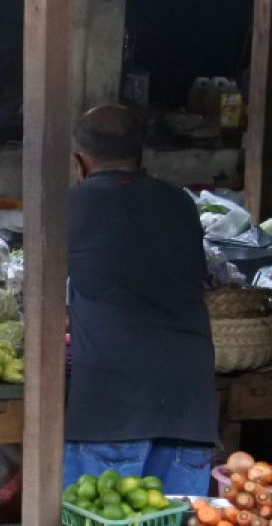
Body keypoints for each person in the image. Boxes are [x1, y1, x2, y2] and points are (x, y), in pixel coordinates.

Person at [63, 105, 216, 495]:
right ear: (141, 154)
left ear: (79, 162)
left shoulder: (69, 208)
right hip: (188, 407)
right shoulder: (181, 204)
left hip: (110, 408)